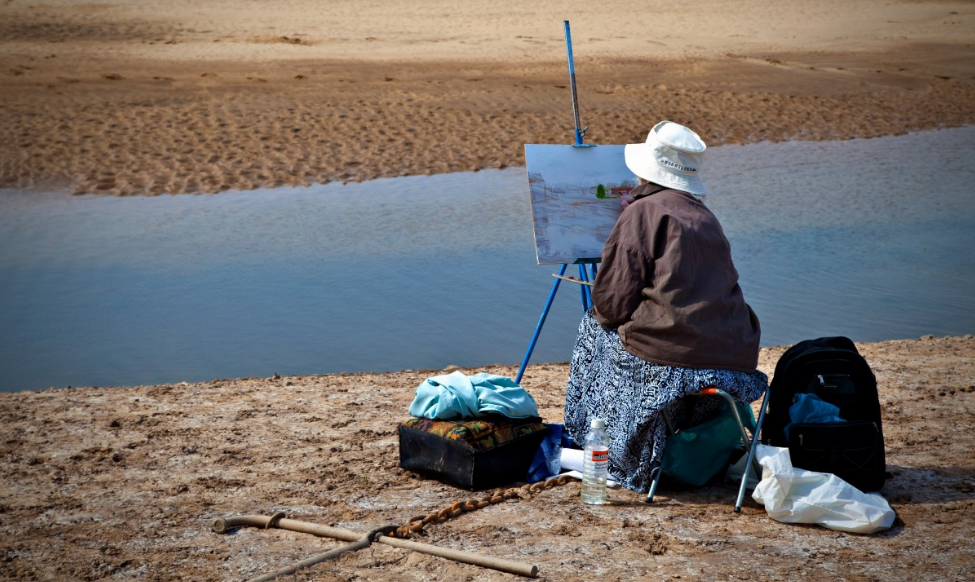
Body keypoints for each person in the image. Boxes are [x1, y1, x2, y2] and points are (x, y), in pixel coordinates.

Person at [563, 120, 768, 493]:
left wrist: (627, 224)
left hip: (677, 364)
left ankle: (605, 447)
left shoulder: (641, 212)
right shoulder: (704, 214)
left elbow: (609, 306)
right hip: (735, 361)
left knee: (593, 328)